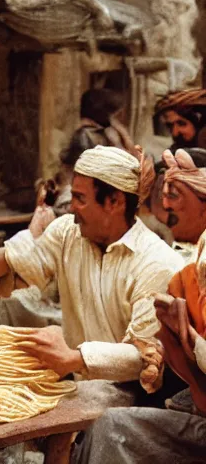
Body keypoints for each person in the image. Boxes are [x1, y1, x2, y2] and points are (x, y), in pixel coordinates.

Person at [0, 146, 182, 396]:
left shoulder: (157, 263)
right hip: (80, 386)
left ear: (114, 202)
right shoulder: (67, 233)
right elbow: (17, 271)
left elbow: (145, 355)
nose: (72, 208)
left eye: (80, 199)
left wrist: (74, 358)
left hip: (132, 398)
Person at [72, 151, 206, 462]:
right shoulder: (188, 270)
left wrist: (187, 341)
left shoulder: (166, 262)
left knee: (114, 427)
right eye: (164, 194)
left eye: (176, 194)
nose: (167, 205)